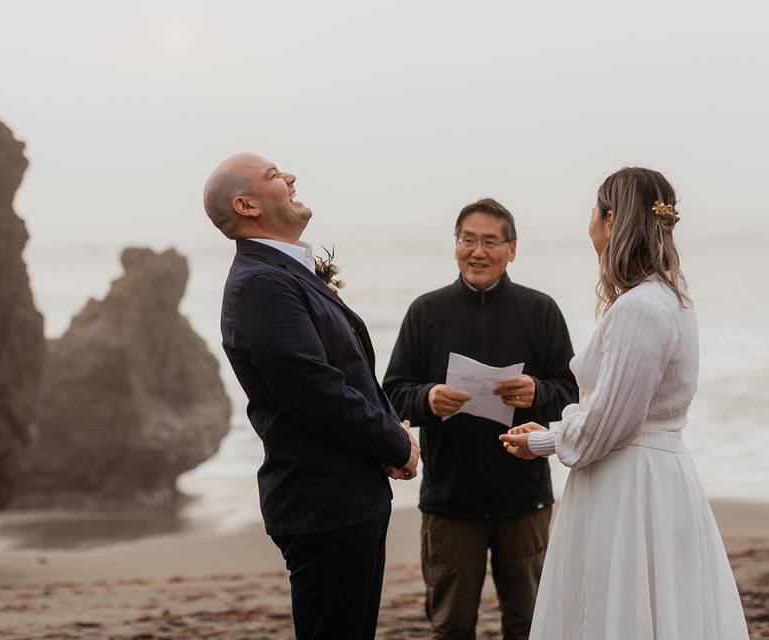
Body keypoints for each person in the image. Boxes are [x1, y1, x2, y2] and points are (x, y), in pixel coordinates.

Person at [500, 168, 750, 639]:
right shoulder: (667, 299)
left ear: (612, 222)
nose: (589, 223)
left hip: (632, 488)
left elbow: (613, 421)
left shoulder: (642, 308)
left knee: (619, 609)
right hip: (651, 477)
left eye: (594, 211)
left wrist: (544, 440)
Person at [204, 153, 419, 640]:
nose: (291, 177)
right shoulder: (261, 285)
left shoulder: (283, 274)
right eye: (274, 175)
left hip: (350, 498)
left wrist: (392, 432)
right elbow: (316, 391)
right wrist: (397, 445)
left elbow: (350, 370)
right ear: (246, 204)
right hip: (324, 503)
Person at [383, 198, 578, 640]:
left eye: (490, 241)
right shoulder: (425, 311)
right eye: (467, 240)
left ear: (512, 249)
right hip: (449, 500)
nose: (477, 251)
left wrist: (537, 392)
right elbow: (391, 394)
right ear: (455, 245)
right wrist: (428, 397)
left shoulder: (540, 310)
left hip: (524, 500)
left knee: (530, 623)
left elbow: (572, 397)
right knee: (450, 624)